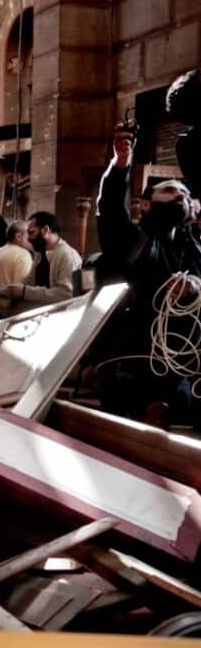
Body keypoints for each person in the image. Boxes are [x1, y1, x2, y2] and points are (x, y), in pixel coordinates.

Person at [97, 121, 201, 427]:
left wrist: (196, 284)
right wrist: (120, 163)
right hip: (131, 359)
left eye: (183, 192)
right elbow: (111, 208)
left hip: (177, 361)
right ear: (146, 205)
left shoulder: (193, 247)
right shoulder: (131, 241)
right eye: (170, 190)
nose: (180, 195)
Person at [4, 211, 82, 306]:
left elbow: (66, 294)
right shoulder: (40, 253)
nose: (28, 238)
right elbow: (29, 281)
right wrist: (2, 290)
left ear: (45, 230)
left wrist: (25, 292)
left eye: (31, 232)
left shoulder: (67, 255)